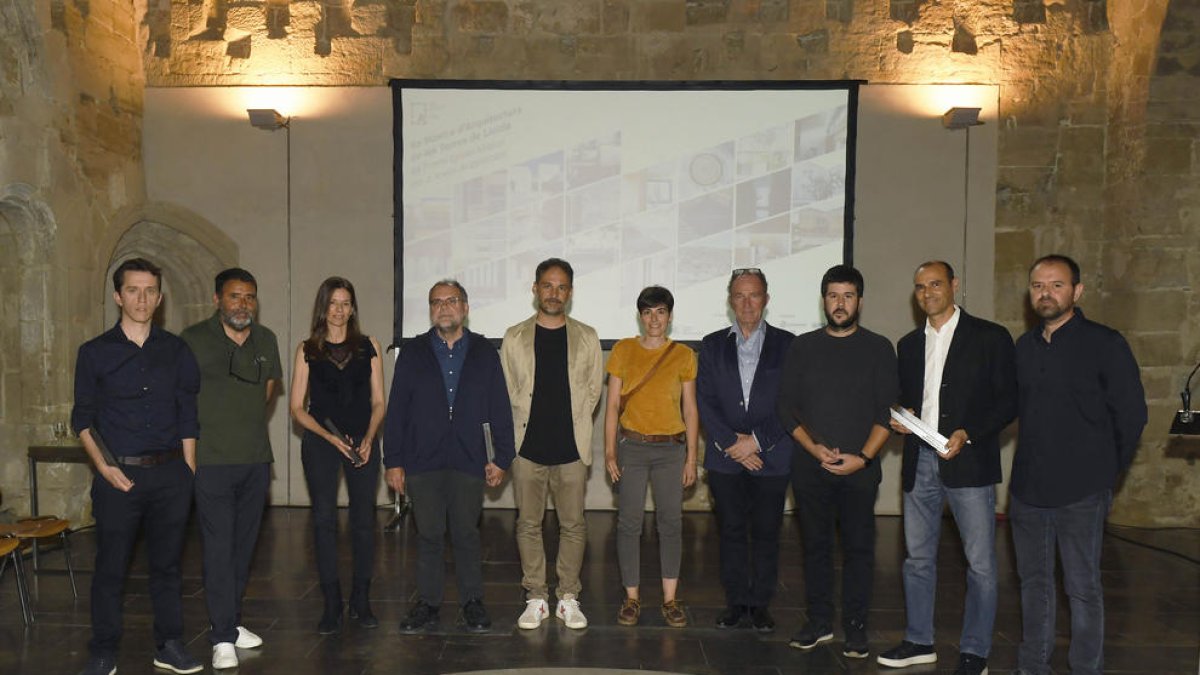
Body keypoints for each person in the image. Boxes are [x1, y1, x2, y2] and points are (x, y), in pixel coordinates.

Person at [1009, 254, 1147, 675]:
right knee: (1033, 586)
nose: (1045, 293)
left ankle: (1086, 668)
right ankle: (1033, 666)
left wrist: (1106, 473)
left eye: (1056, 285)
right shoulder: (1024, 347)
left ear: (1077, 291)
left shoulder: (1106, 343)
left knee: (1082, 588)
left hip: (1083, 491)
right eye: (1037, 286)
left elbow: (1132, 415)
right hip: (1028, 489)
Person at [878, 261, 1017, 675]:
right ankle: (919, 640)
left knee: (981, 564)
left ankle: (975, 650)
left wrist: (968, 432)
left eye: (936, 284)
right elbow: (905, 398)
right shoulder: (907, 344)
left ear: (954, 285)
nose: (928, 293)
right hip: (919, 462)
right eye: (920, 287)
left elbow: (1009, 400)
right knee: (917, 559)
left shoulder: (990, 338)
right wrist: (900, 418)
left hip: (969, 464)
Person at [71, 258, 203, 675]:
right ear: (118, 296)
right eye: (133, 290)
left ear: (159, 298)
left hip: (170, 475)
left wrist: (188, 472)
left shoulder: (176, 350)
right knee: (111, 569)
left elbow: (188, 415)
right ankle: (104, 650)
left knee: (166, 568)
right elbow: (83, 420)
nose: (142, 298)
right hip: (117, 476)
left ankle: (169, 646)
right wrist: (104, 469)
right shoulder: (94, 353)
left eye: (150, 291)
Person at [777, 264, 898, 659]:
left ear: (860, 300)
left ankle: (857, 628)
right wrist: (815, 449)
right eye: (833, 296)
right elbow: (785, 409)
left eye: (847, 296)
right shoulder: (803, 346)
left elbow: (887, 413)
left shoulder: (879, 347)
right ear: (823, 300)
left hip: (860, 470)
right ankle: (819, 622)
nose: (840, 303)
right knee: (814, 548)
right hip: (811, 468)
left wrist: (862, 457)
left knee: (860, 551)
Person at [384, 280, 515, 634]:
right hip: (422, 460)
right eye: (436, 302)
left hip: (470, 459)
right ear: (430, 310)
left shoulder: (485, 352)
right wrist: (392, 460)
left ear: (465, 307)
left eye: (451, 301)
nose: (444, 308)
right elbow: (396, 410)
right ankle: (428, 603)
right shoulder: (413, 352)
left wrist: (502, 457)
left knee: (465, 533)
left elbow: (500, 407)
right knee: (427, 534)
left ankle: (473, 601)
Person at [181, 268, 282, 669]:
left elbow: (269, 388)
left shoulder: (266, 339)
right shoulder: (193, 340)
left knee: (243, 550)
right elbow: (181, 396)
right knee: (218, 550)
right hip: (211, 462)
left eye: (250, 297)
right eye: (235, 296)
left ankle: (233, 622)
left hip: (256, 459)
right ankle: (221, 636)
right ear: (217, 300)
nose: (243, 304)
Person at [501, 259, 603, 630]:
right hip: (526, 448)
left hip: (571, 449)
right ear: (535, 289)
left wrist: (574, 422)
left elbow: (594, 390)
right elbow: (507, 388)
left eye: (561, 287)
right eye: (547, 286)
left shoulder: (587, 336)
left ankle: (569, 598)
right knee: (528, 524)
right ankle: (536, 598)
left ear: (570, 293)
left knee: (573, 525)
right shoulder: (513, 337)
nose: (554, 293)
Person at [697, 269, 795, 634]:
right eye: (739, 296)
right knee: (732, 531)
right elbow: (704, 400)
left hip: (772, 456)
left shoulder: (789, 344)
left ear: (766, 299)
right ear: (730, 301)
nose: (747, 303)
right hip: (725, 458)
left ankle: (761, 604)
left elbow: (792, 401)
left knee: (767, 532)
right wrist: (733, 444)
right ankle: (737, 603)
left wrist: (755, 441)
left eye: (754, 295)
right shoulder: (711, 344)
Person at [288, 277, 386, 634]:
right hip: (321, 443)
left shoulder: (368, 345)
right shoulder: (307, 349)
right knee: (324, 521)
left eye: (346, 303)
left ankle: (361, 600)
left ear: (352, 307)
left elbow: (378, 401)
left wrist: (370, 437)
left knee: (363, 520)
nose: (340, 310)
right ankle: (331, 603)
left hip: (362, 442)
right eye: (333, 303)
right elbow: (297, 408)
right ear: (323, 307)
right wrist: (330, 437)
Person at [603, 285, 699, 628]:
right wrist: (610, 450)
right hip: (633, 447)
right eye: (647, 312)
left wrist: (691, 459)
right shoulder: (624, 350)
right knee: (629, 524)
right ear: (640, 316)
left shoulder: (684, 355)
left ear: (670, 316)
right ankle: (632, 598)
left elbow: (690, 409)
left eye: (660, 311)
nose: (653, 318)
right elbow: (613, 405)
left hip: (671, 450)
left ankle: (671, 600)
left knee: (670, 524)